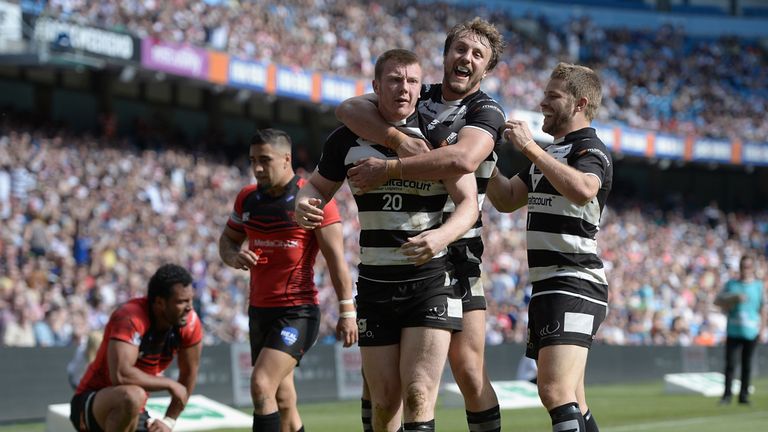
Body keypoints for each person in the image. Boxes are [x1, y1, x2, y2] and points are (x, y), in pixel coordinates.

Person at [335, 18, 506, 432]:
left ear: (486, 69)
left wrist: (391, 167)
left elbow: (462, 160)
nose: (466, 58)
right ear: (446, 55)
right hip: (399, 253)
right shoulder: (418, 93)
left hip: (458, 251)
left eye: (477, 55)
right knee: (380, 386)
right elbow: (348, 109)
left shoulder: (486, 111)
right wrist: (399, 140)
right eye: (460, 49)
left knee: (466, 369)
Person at [295, 48, 478, 432]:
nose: (405, 89)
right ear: (376, 86)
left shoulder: (440, 135)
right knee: (383, 404)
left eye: (412, 81)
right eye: (394, 80)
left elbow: (469, 205)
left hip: (430, 279)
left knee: (418, 394)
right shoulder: (347, 139)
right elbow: (316, 186)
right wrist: (303, 203)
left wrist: (440, 237)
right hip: (376, 284)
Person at [485, 62, 612, 432]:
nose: (542, 103)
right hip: (549, 284)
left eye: (552, 96)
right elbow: (507, 198)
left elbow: (584, 188)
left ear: (580, 104)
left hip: (574, 281)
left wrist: (529, 148)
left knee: (554, 390)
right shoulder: (556, 151)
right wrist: (483, 159)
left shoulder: (589, 147)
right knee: (573, 397)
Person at [218, 128, 357, 432]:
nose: (256, 168)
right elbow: (227, 242)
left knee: (260, 383)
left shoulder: (313, 200)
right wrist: (233, 256)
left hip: (298, 312)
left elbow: (337, 261)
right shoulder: (247, 199)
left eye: (264, 160)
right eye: (253, 160)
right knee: (283, 402)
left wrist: (347, 311)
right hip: (259, 311)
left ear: (286, 160)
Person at [69, 264, 203, 432]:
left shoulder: (189, 323)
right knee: (133, 396)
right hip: (90, 403)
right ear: (160, 302)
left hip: (134, 409)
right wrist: (169, 384)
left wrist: (169, 421)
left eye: (190, 300)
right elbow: (121, 375)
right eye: (181, 302)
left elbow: (189, 374)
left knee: (136, 399)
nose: (190, 307)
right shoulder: (130, 317)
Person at [715, 254, 765, 405]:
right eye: (743, 266)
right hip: (733, 330)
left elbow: (762, 308)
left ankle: (744, 396)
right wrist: (733, 298)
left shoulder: (758, 286)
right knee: (730, 364)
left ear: (753, 268)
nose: (746, 270)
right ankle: (727, 396)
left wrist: (762, 329)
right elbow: (717, 301)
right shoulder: (731, 285)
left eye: (748, 266)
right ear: (740, 268)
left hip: (751, 332)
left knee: (747, 365)